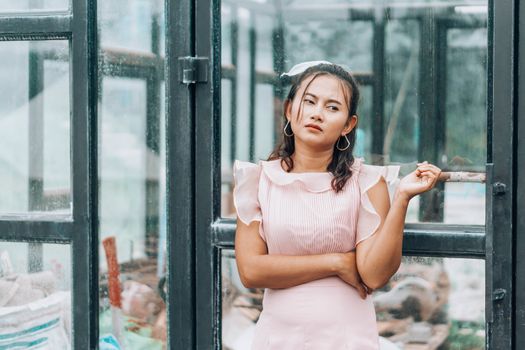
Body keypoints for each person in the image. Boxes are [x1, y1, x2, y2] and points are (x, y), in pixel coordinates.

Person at [233, 61, 441, 349]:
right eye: (310, 102)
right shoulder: (258, 180)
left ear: (348, 124)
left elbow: (374, 274)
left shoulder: (367, 182)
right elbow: (251, 271)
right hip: (279, 337)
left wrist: (402, 199)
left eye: (332, 107)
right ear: (290, 110)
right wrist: (337, 262)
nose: (317, 113)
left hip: (348, 337)